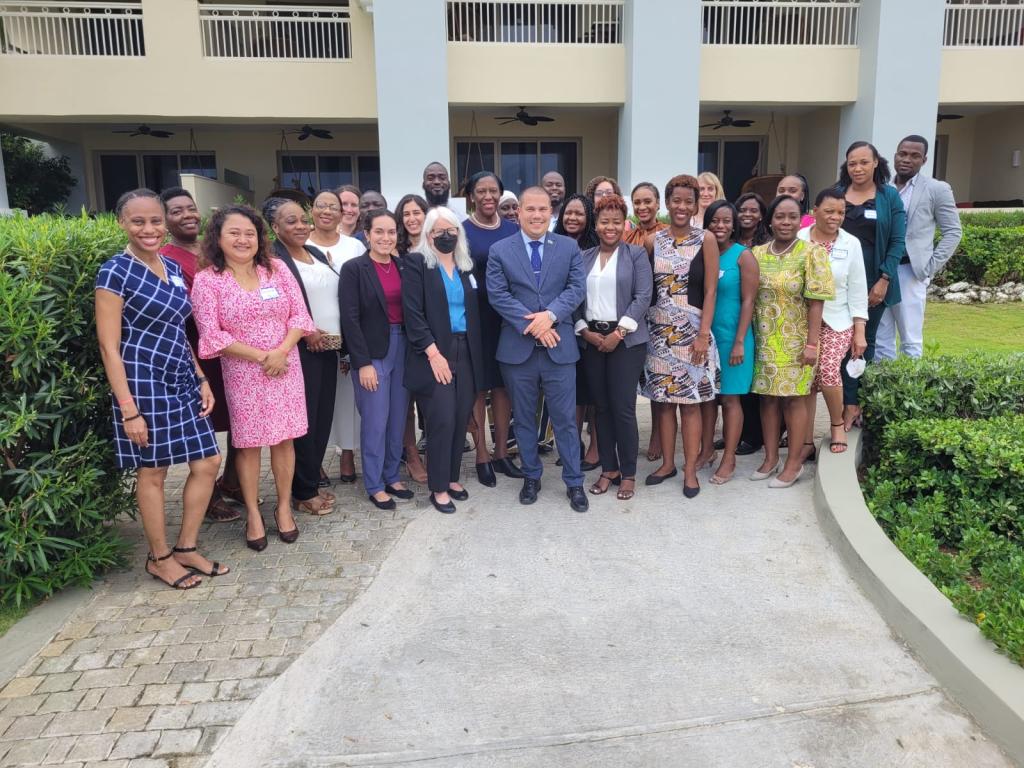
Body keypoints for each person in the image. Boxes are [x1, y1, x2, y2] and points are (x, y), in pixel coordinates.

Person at [96, 189, 226, 590]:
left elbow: (178, 329)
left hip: (181, 376)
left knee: (207, 463)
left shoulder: (169, 266)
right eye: (139, 221)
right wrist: (128, 408)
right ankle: (159, 557)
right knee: (153, 472)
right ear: (122, 223)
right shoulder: (114, 271)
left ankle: (186, 546)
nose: (149, 229)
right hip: (141, 380)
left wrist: (201, 376)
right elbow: (108, 345)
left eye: (155, 220)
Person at [192, 205, 315, 550]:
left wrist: (281, 351)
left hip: (286, 367)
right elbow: (211, 335)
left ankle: (283, 507)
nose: (243, 239)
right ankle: (253, 513)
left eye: (250, 233)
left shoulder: (275, 269)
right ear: (217, 237)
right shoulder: (207, 280)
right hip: (244, 372)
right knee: (248, 445)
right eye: (234, 232)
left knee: (285, 440)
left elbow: (301, 316)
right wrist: (263, 356)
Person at [486, 186, 588, 512]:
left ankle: (574, 482)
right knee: (525, 419)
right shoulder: (500, 250)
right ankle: (532, 475)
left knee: (565, 421)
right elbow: (498, 295)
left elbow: (576, 288)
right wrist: (536, 326)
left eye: (543, 209)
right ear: (519, 212)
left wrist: (551, 316)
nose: (536, 215)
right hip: (518, 350)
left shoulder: (569, 247)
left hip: (560, 346)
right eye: (530, 209)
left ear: (550, 212)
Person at [158, 187, 239, 523]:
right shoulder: (166, 258)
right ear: (165, 220)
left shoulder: (212, 249)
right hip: (198, 353)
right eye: (176, 211)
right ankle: (209, 496)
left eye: (190, 208)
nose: (187, 215)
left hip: (234, 350)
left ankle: (233, 483)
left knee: (241, 419)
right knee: (206, 424)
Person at [641, 174, 721, 499]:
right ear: (667, 203)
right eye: (677, 200)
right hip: (658, 334)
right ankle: (666, 465)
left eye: (689, 201)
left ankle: (689, 470)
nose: (682, 206)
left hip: (693, 335)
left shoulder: (707, 239)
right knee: (662, 405)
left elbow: (712, 289)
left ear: (696, 203)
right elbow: (646, 289)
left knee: (689, 405)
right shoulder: (653, 242)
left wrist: (703, 335)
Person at [402, 207, 484, 513]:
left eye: (452, 231)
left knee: (461, 416)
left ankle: (450, 478)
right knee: (442, 419)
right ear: (428, 235)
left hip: (466, 351)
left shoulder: (466, 266)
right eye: (439, 231)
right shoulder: (417, 263)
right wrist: (433, 353)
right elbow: (413, 314)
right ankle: (437, 488)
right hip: (434, 352)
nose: (446, 236)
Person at [749, 195, 834, 488]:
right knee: (768, 399)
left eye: (792, 217)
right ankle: (771, 458)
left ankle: (794, 462)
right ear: (770, 220)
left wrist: (812, 344)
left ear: (801, 220)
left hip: (797, 341)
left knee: (794, 401)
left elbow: (816, 303)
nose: (786, 222)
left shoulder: (812, 253)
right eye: (780, 217)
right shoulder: (757, 254)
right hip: (763, 338)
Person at [574, 194, 652, 501]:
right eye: (604, 221)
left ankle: (629, 473)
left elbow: (643, 297)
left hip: (626, 341)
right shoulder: (584, 258)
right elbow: (574, 298)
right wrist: (585, 331)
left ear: (625, 224)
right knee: (601, 409)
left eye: (616, 222)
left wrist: (617, 334)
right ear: (596, 223)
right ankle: (609, 469)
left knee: (622, 408)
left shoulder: (635, 255)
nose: (610, 227)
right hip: (592, 339)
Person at [264, 197, 338, 516]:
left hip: (329, 349)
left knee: (322, 418)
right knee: (303, 421)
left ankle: (311, 479)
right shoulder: (270, 258)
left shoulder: (316, 253)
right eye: (290, 221)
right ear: (275, 227)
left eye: (302, 220)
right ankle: (302, 490)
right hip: (299, 350)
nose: (300, 226)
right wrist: (307, 331)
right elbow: (275, 304)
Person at [339, 209, 414, 510]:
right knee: (375, 420)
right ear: (366, 235)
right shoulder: (354, 269)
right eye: (379, 232)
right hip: (373, 352)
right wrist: (363, 362)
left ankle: (392, 474)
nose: (386, 237)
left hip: (404, 347)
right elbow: (350, 318)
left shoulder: (403, 266)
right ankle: (373, 483)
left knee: (398, 417)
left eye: (391, 232)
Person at [837, 140, 906, 430]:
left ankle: (857, 403)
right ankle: (844, 402)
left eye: (864, 162)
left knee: (864, 343)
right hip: (838, 283)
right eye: (852, 163)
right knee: (839, 343)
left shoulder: (889, 197)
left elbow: (897, 241)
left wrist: (884, 279)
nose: (858, 168)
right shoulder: (838, 194)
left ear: (876, 162)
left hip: (873, 281)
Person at [876, 135, 962, 361]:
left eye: (914, 156)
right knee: (880, 337)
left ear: (924, 160)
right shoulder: (882, 189)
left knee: (910, 339)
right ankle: (882, 393)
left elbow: (953, 232)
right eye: (902, 154)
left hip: (910, 271)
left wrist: (929, 267)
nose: (907, 159)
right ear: (895, 156)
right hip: (880, 271)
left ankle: (909, 392)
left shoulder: (936, 189)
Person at [462, 171, 524, 486]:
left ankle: (502, 453)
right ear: (471, 196)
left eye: (493, 191)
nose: (488, 197)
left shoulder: (515, 230)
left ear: (501, 194)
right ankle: (482, 454)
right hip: (475, 318)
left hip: (508, 319)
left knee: (503, 387)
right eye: (481, 191)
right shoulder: (462, 231)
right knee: (479, 386)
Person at [798, 187, 868, 456]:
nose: (835, 217)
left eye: (841, 212)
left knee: (828, 371)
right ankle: (805, 442)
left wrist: (859, 331)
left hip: (838, 320)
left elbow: (858, 290)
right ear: (814, 211)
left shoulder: (851, 244)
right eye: (829, 211)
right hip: (802, 321)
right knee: (806, 380)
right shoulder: (800, 238)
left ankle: (837, 424)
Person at [308, 189, 363, 485]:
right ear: (312, 211)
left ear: (342, 213)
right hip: (309, 339)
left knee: (348, 398)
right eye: (321, 206)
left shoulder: (354, 246)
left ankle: (348, 454)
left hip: (349, 335)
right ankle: (313, 460)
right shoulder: (298, 244)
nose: (327, 211)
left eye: (334, 207)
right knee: (316, 402)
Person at [704, 200, 758, 484]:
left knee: (730, 399)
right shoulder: (704, 252)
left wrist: (739, 341)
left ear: (734, 224)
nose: (720, 226)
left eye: (726, 221)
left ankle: (729, 458)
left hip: (733, 339)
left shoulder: (742, 256)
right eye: (714, 220)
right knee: (708, 398)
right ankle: (706, 452)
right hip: (707, 338)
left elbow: (749, 300)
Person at [554, 192, 601, 469]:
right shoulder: (552, 244)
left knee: (592, 392)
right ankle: (572, 446)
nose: (572, 218)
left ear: (589, 218)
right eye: (568, 213)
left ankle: (595, 447)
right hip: (561, 328)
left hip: (591, 329)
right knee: (569, 394)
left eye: (579, 213)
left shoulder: (596, 248)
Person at [394, 193, 431, 484]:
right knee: (405, 398)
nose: (412, 218)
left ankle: (431, 446)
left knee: (430, 396)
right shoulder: (394, 250)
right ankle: (411, 454)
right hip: (402, 333)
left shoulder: (437, 245)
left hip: (433, 333)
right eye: (406, 214)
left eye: (417, 212)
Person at [624, 181, 667, 258]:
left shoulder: (669, 233)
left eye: (647, 202)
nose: (642, 207)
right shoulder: (625, 237)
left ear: (658, 203)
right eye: (637, 203)